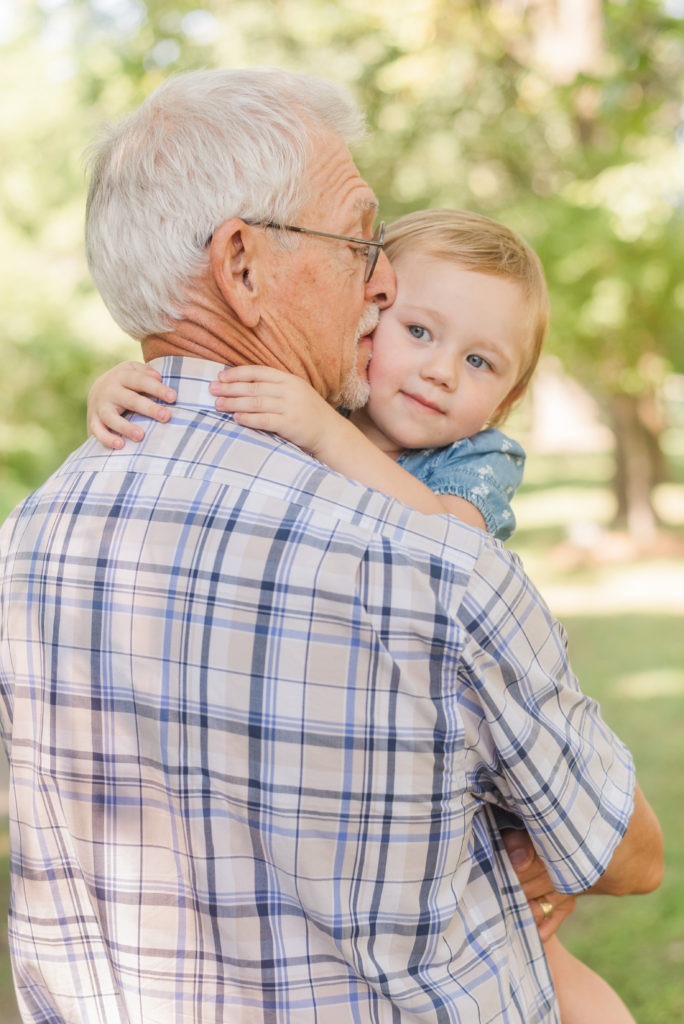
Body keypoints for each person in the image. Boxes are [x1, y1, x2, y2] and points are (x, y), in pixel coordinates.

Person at [0, 68, 663, 1024]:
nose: (381, 280)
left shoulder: (35, 536)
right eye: (361, 242)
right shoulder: (427, 565)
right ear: (241, 264)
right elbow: (628, 856)